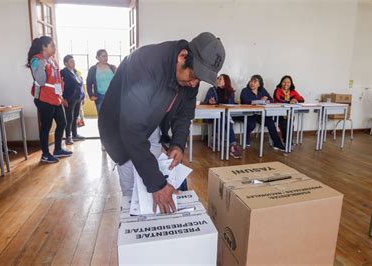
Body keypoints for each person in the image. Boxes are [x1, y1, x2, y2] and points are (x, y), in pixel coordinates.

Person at [100, 32, 225, 214]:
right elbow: (132, 130)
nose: (194, 84)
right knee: (133, 187)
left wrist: (178, 144)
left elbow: (184, 114)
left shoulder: (191, 76)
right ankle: (133, 224)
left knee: (154, 170)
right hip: (120, 127)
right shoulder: (144, 63)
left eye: (199, 80)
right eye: (194, 76)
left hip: (151, 123)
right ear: (182, 56)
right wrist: (157, 185)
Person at [27, 36, 73, 163]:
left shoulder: (52, 60)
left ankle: (57, 149)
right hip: (43, 98)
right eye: (52, 45)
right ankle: (45, 154)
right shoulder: (36, 60)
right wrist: (43, 63)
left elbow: (57, 81)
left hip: (55, 98)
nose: (55, 48)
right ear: (44, 47)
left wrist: (61, 97)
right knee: (46, 127)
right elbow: (41, 81)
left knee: (62, 122)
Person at [240, 75, 285, 151]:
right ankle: (246, 138)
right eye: (251, 81)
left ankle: (277, 144)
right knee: (251, 124)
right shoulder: (245, 90)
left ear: (259, 84)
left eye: (255, 82)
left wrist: (267, 101)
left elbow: (271, 100)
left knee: (270, 122)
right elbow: (245, 101)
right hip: (248, 114)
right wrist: (260, 100)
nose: (252, 83)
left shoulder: (262, 90)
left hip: (259, 114)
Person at [203, 74, 242, 158]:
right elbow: (205, 103)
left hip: (225, 116)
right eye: (218, 78)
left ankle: (216, 140)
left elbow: (230, 105)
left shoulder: (230, 91)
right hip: (212, 116)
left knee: (223, 118)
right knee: (224, 119)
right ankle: (233, 145)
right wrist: (209, 102)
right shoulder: (212, 90)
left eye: (221, 79)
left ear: (226, 82)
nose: (218, 80)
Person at [60, 55, 85, 145]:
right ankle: (68, 137)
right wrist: (63, 98)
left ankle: (75, 134)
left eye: (73, 61)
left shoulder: (75, 71)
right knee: (69, 118)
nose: (73, 63)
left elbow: (80, 84)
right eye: (71, 61)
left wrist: (83, 96)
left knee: (75, 117)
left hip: (78, 98)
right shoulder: (63, 72)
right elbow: (60, 86)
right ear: (66, 63)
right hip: (69, 99)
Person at [273, 75, 305, 142]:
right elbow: (277, 100)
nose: (286, 84)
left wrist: (295, 100)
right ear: (281, 83)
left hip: (289, 114)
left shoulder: (293, 92)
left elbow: (302, 99)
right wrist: (289, 101)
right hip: (278, 113)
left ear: (291, 84)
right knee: (284, 123)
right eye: (284, 82)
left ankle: (289, 142)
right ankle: (287, 141)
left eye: (288, 82)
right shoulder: (277, 90)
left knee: (290, 124)